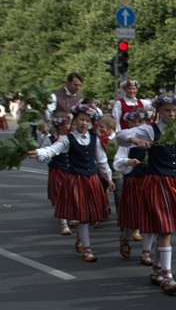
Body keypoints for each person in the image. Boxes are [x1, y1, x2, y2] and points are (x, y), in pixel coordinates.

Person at [116, 92, 176, 294]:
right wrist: (134, 140)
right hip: (156, 183)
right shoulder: (150, 129)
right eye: (167, 110)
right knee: (164, 229)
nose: (171, 114)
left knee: (166, 228)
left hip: (175, 182)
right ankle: (168, 275)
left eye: (175, 110)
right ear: (159, 111)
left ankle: (157, 270)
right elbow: (120, 137)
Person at [28, 104, 114, 262]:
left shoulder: (94, 139)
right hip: (76, 179)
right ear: (75, 120)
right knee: (83, 216)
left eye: (87, 120)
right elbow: (52, 150)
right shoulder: (67, 139)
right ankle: (87, 250)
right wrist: (39, 152)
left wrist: (108, 178)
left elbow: (102, 161)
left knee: (91, 215)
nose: (84, 123)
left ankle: (82, 239)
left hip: (92, 179)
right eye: (81, 119)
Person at [114, 108, 157, 265]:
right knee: (131, 215)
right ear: (129, 123)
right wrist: (128, 162)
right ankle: (125, 237)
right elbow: (118, 161)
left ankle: (146, 252)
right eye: (133, 122)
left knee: (150, 215)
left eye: (140, 122)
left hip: (149, 180)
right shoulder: (127, 141)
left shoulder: (152, 138)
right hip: (133, 180)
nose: (137, 125)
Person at [40, 112, 73, 235]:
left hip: (71, 170)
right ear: (59, 126)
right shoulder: (50, 140)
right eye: (67, 124)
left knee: (72, 195)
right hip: (57, 171)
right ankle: (64, 223)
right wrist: (39, 153)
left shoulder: (73, 137)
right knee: (60, 196)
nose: (69, 126)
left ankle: (73, 216)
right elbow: (43, 157)